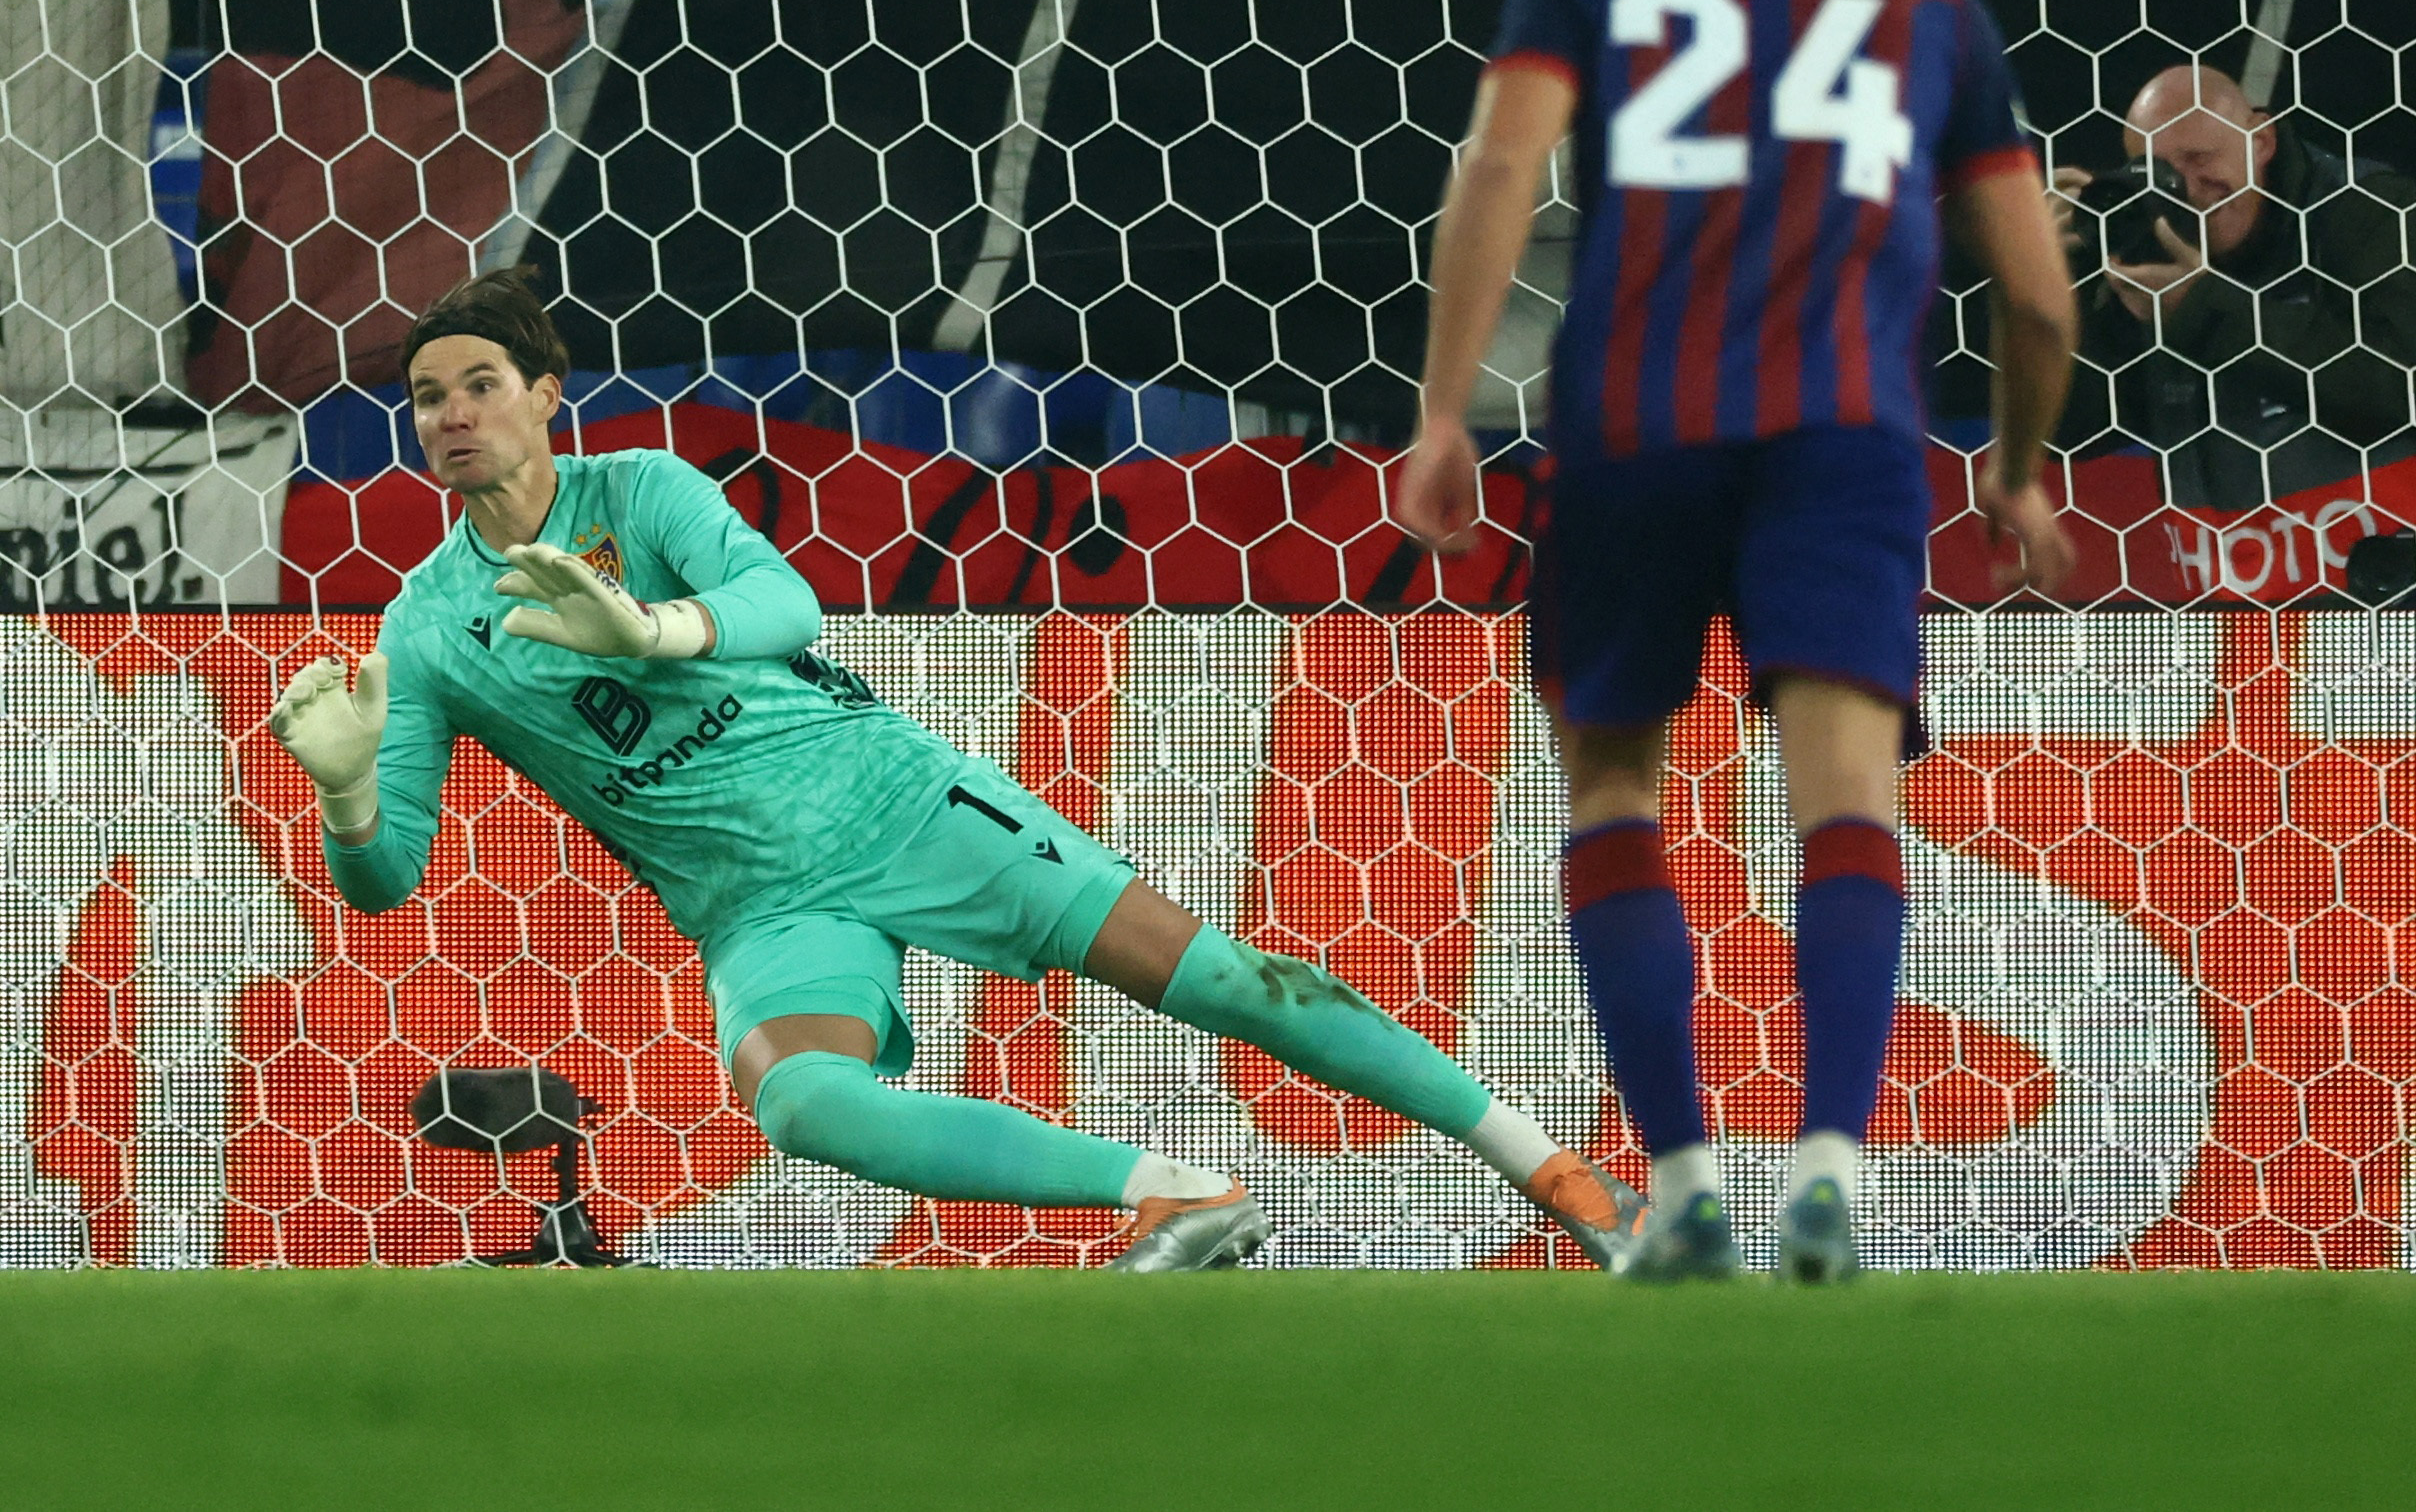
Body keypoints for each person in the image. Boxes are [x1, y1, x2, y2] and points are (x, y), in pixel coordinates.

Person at [265, 271, 1628, 1276]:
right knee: (803, 1102)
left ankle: (1553, 1171)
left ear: (545, 396)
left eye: (478, 385)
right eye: (427, 396)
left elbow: (786, 602)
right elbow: (384, 885)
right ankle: (1174, 1193)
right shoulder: (424, 628)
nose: (450, 415)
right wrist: (342, 792)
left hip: (896, 799)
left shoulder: (641, 492)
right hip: (758, 906)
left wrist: (656, 629)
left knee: (1208, 975)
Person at [1399, 0, 2082, 1286]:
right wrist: (2021, 466)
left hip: (1633, 425)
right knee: (1846, 801)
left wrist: (1443, 411)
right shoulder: (1933, 12)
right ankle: (1831, 1166)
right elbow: (2039, 299)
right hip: (1844, 435)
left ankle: (1685, 1183)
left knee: (1614, 789)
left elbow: (1499, 171)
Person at [2065, 61, 2416, 516]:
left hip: (2391, 577)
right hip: (2225, 583)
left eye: (2200, 158)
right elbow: (2070, 434)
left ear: (2261, 141)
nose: (2189, 189)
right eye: (2160, 171)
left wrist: (2201, 309)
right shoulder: (2149, 255)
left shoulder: (2367, 210)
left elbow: (2408, 388)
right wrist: (2059, 278)